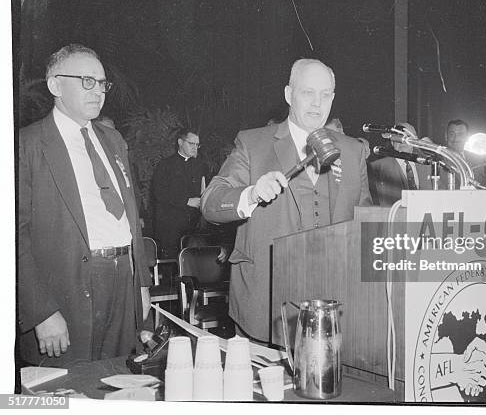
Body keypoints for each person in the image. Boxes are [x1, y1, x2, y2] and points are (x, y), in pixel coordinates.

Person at [202, 58, 372, 342]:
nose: (317, 103)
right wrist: (252, 193)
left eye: (325, 94)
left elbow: (365, 222)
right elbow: (211, 202)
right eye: (308, 92)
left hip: (333, 305)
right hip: (265, 305)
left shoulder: (353, 151)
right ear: (288, 94)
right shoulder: (253, 144)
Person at [18, 44, 151, 366]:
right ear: (55, 86)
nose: (98, 91)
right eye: (86, 81)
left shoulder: (114, 141)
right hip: (67, 288)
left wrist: (142, 285)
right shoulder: (27, 144)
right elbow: (12, 235)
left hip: (123, 282)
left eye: (102, 83)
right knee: (68, 390)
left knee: (118, 383)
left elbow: (130, 218)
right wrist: (41, 311)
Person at [152, 128, 208, 257]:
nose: (195, 148)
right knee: (172, 266)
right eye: (191, 144)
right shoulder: (165, 165)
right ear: (180, 142)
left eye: (197, 144)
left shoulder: (200, 166)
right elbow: (159, 193)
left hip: (194, 226)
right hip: (171, 225)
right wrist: (186, 201)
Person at [368, 122, 432, 206]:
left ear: (416, 142)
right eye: (398, 137)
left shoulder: (428, 166)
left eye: (407, 137)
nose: (403, 142)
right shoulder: (377, 168)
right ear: (391, 142)